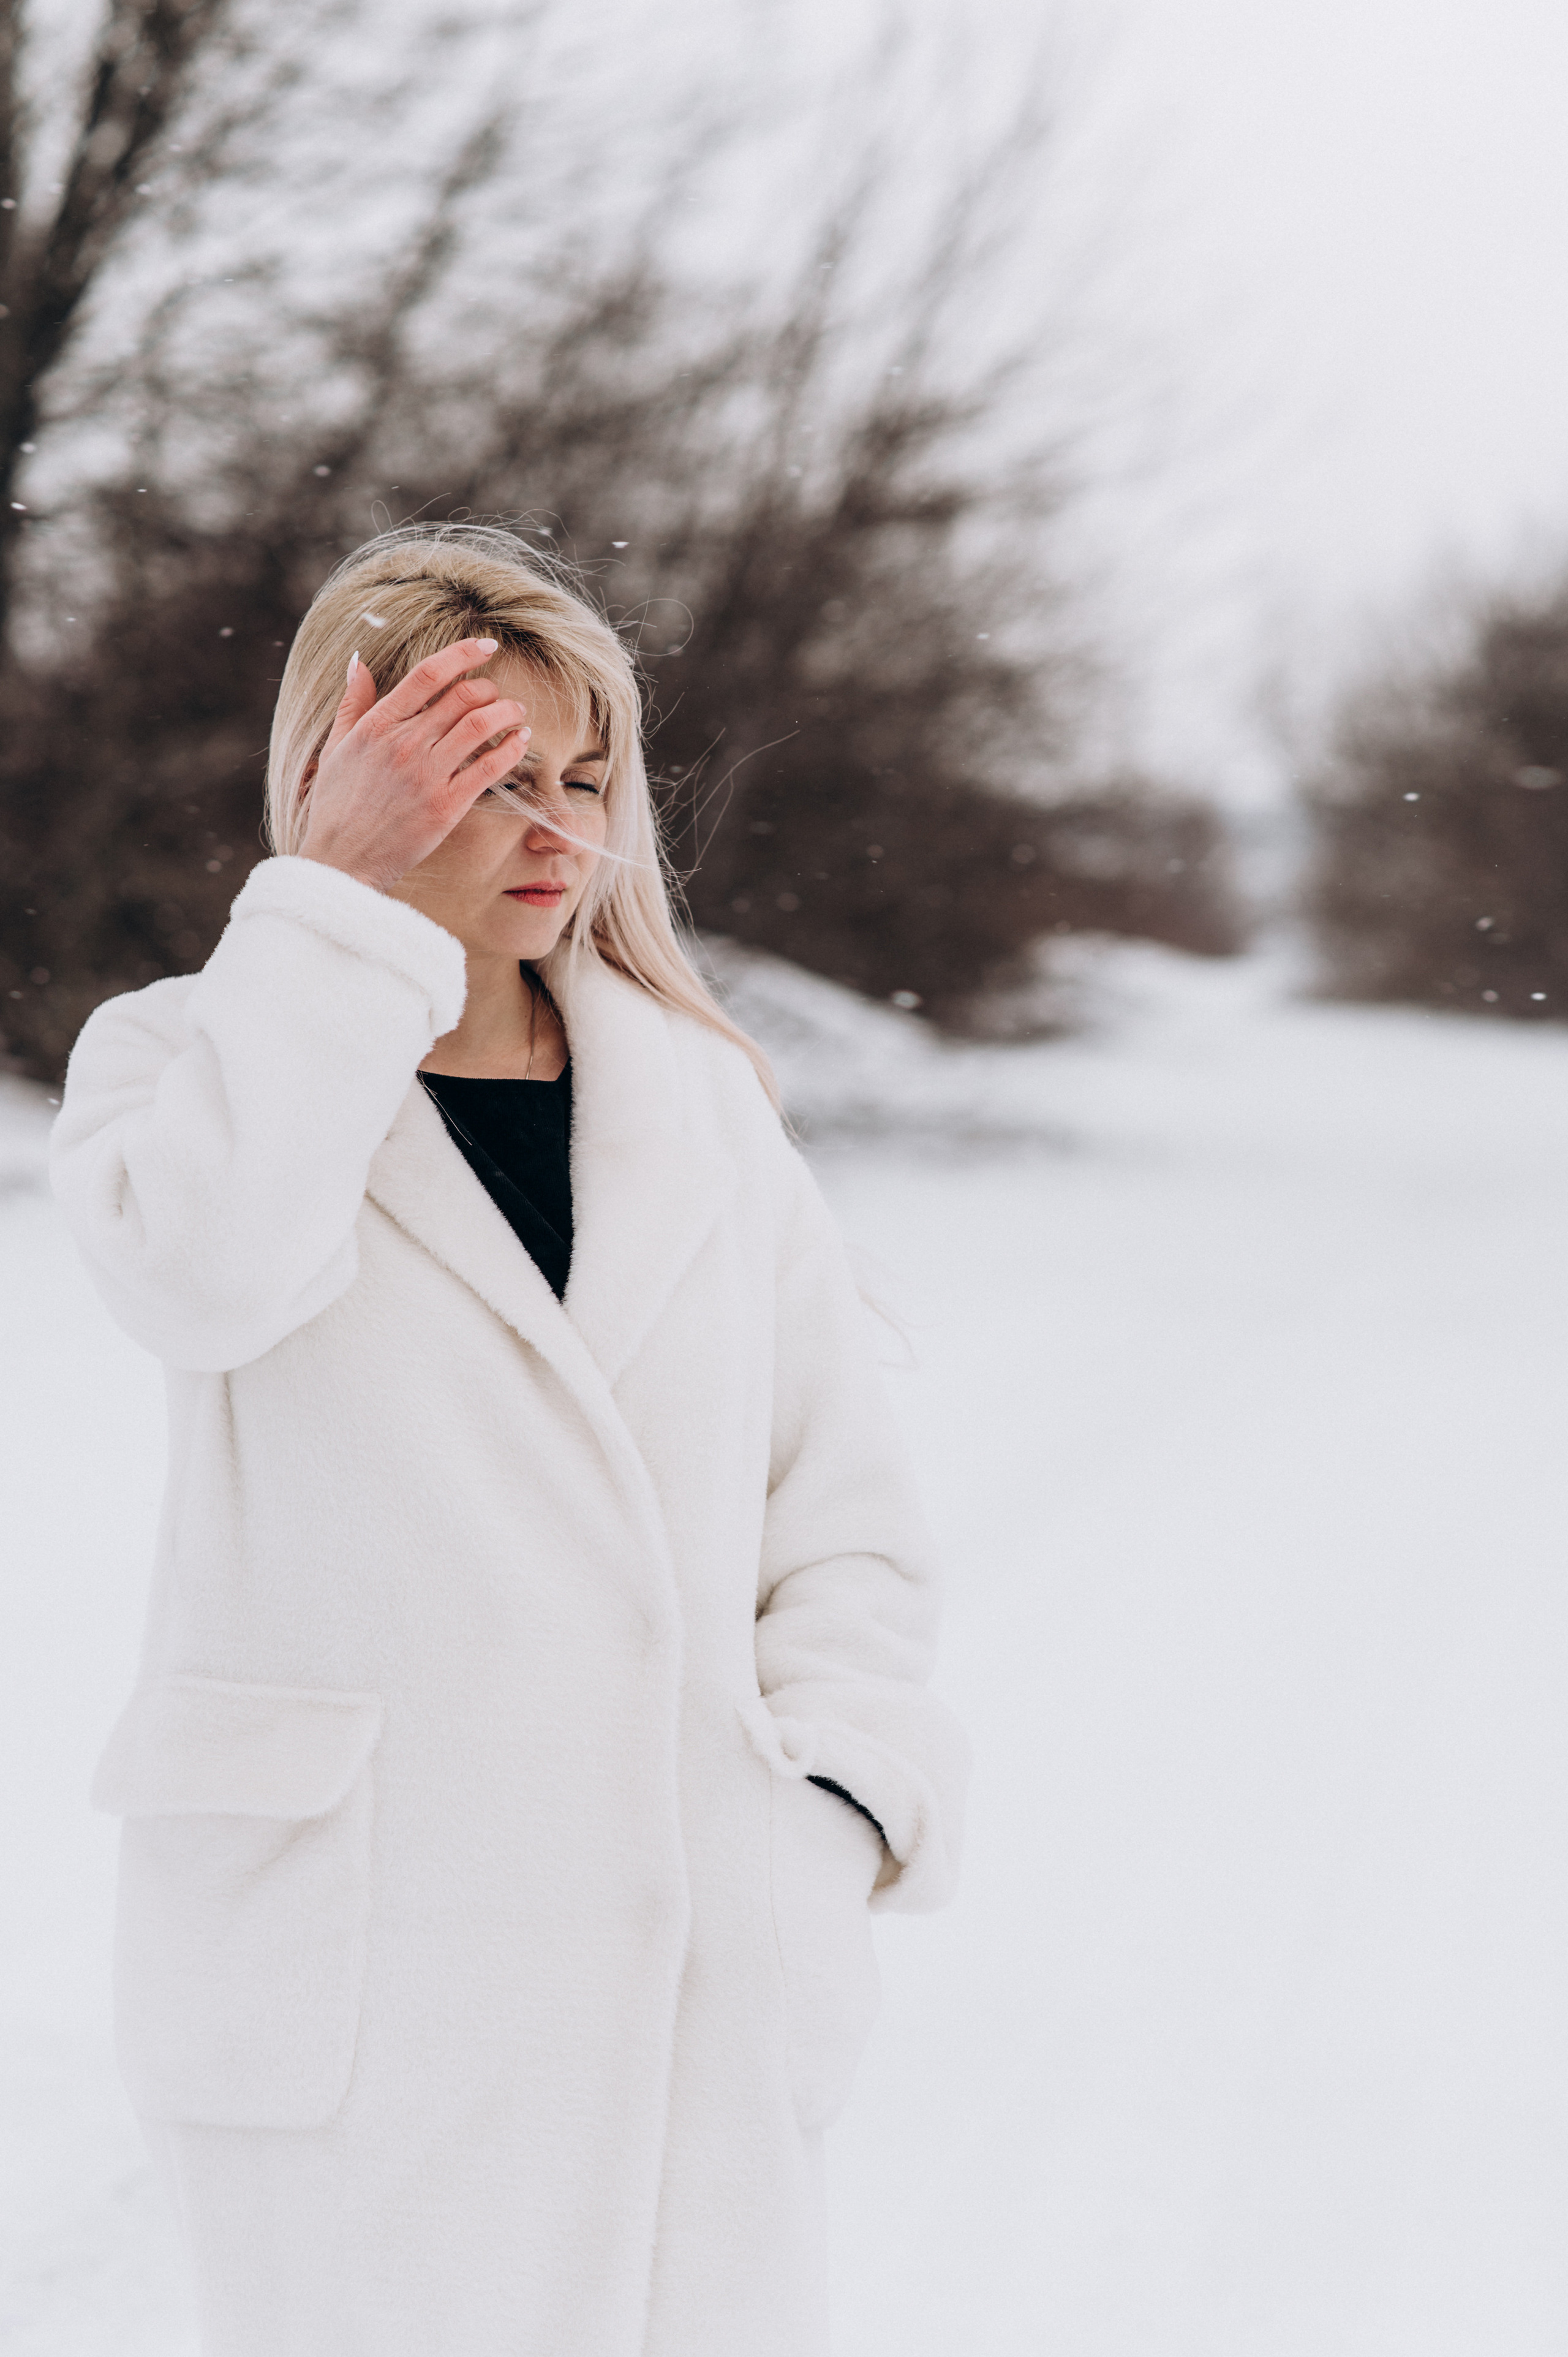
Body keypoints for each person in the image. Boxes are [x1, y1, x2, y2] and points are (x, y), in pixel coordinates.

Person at [50, 523, 968, 2357]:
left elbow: (844, 1518)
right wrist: (334, 909)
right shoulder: (187, 1064)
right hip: (361, 1990)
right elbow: (207, 1276)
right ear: (350, 783)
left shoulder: (702, 1109)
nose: (559, 832)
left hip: (693, 1979)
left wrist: (824, 1808)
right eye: (485, 780)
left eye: (587, 779)